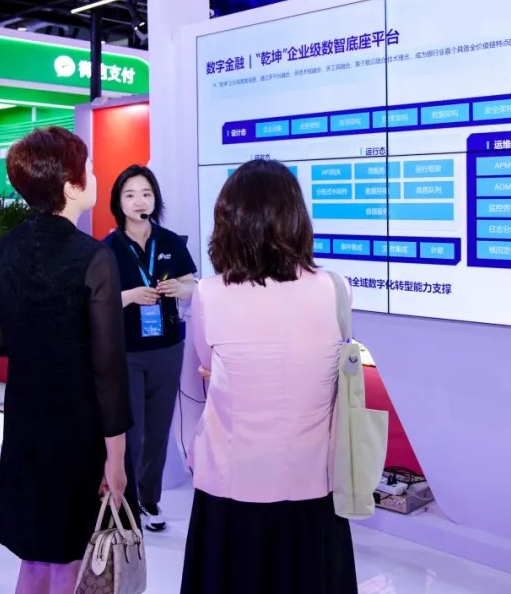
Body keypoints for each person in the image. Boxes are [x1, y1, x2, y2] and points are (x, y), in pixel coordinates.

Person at [181, 158, 358, 594]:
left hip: (230, 486)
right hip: (313, 485)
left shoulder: (209, 294)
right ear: (295, 218)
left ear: (229, 222)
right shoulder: (336, 288)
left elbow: (209, 367)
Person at [0, 126, 133, 594]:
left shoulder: (5, 249)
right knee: (70, 557)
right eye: (89, 168)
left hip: (25, 419)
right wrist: (116, 457)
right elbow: (108, 368)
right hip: (76, 427)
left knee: (34, 556)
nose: (95, 175)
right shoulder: (94, 257)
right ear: (70, 185)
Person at [103, 165, 196, 532]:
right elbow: (98, 301)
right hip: (126, 351)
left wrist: (179, 289)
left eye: (146, 194)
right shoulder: (107, 248)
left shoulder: (170, 242)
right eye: (130, 195)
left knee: (158, 428)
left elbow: (191, 284)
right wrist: (129, 296)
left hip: (167, 348)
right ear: (118, 202)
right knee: (132, 430)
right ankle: (124, 500)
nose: (139, 201)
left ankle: (149, 499)